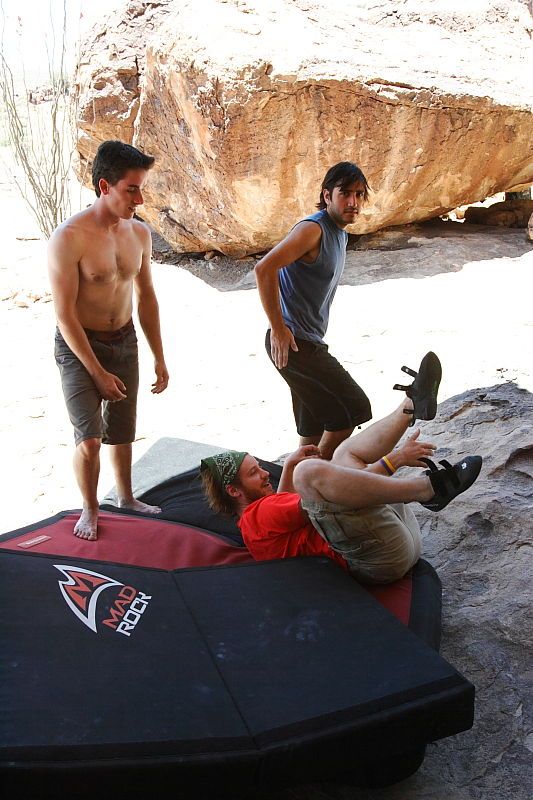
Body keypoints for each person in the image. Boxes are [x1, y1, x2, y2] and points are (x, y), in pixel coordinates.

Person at [201, 354, 482, 585]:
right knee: (310, 473)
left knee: (341, 453)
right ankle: (428, 489)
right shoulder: (257, 517)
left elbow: (284, 512)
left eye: (259, 467)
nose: (264, 474)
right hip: (376, 559)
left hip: (394, 552)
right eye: (253, 473)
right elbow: (337, 497)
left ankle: (411, 404)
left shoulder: (257, 527)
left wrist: (287, 466)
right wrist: (394, 460)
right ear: (233, 491)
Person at [48, 140, 169, 541]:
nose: (140, 198)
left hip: (125, 339)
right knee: (90, 439)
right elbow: (64, 314)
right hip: (79, 344)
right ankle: (90, 507)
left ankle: (127, 498)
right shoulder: (70, 237)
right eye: (131, 189)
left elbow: (146, 296)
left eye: (141, 187)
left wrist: (159, 356)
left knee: (122, 430)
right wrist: (96, 372)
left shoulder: (140, 234)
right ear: (105, 186)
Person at [255, 161, 374, 460]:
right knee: (353, 410)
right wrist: (279, 328)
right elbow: (264, 269)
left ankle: (294, 494)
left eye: (359, 195)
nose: (353, 202)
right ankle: (315, 482)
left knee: (311, 432)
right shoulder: (313, 230)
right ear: (326, 195)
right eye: (345, 193)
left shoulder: (340, 233)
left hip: (307, 341)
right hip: (295, 345)